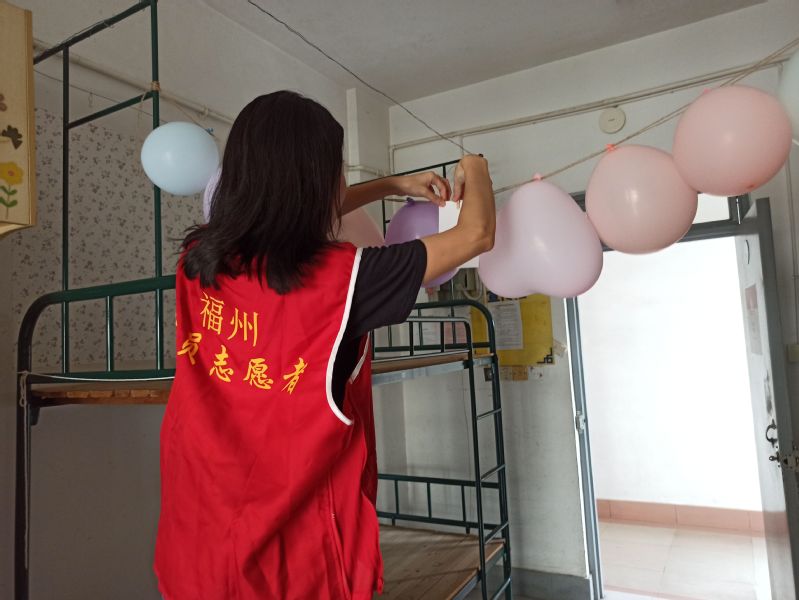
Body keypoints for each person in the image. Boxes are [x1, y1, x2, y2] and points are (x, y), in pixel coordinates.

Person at [154, 90, 494, 600]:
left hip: (197, 545)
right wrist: (476, 165)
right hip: (293, 565)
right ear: (317, 178)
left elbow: (286, 209)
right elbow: (476, 235)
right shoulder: (345, 279)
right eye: (337, 169)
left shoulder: (197, 260)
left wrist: (393, 185)